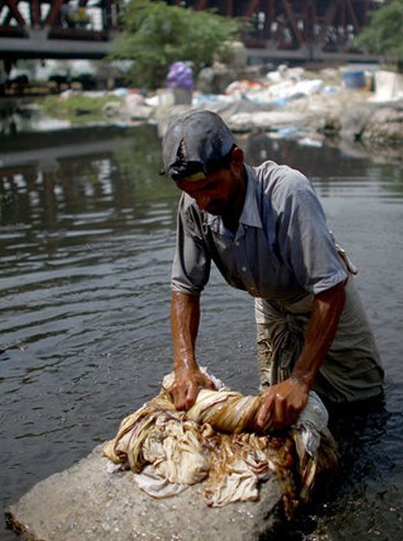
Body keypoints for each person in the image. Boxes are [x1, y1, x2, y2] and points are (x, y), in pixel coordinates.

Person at [161, 108, 384, 432]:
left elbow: (330, 289)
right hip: (271, 301)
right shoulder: (194, 204)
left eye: (210, 187)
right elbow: (184, 287)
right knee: (275, 408)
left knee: (360, 400)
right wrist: (185, 364)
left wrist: (301, 378)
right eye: (191, 193)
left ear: (236, 160)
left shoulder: (286, 192)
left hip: (321, 298)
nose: (203, 202)